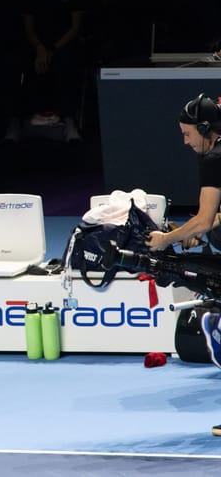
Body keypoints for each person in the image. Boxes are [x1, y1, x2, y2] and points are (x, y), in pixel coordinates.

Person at [146, 93, 221, 436]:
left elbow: (205, 220)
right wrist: (193, 230)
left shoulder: (214, 158)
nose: (186, 141)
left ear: (206, 129)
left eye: (188, 134)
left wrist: (167, 239)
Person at [10, 0, 84, 143]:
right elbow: (28, 27)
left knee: (68, 63)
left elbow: (75, 26)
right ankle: (16, 122)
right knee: (18, 64)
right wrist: (41, 49)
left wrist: (52, 49)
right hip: (37, 45)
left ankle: (69, 121)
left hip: (63, 43)